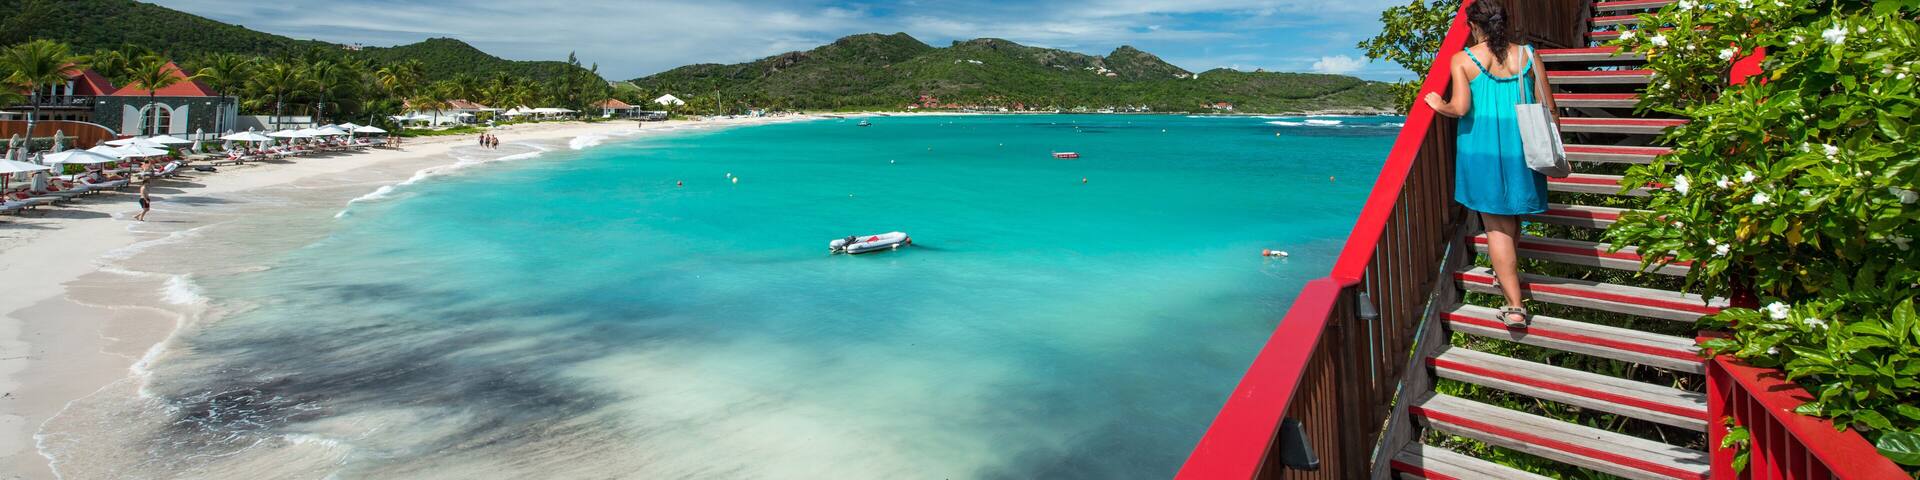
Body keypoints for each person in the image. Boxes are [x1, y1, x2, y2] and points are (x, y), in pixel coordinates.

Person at [1423, 0, 1557, 329]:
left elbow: (1460, 108)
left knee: (1496, 227)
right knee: (1513, 215)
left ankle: (1515, 306)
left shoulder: (1463, 59)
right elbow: (1548, 106)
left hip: (1482, 149)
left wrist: (1438, 104)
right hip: (1522, 146)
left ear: (1473, 27)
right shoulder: (1528, 55)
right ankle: (1504, 272)